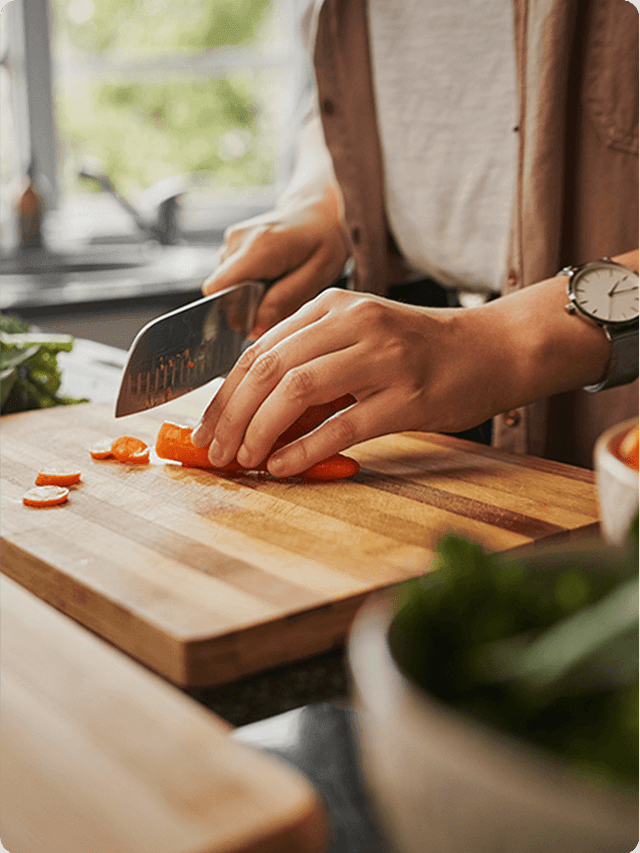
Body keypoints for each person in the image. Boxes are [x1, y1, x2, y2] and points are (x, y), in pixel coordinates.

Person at [191, 0, 639, 478]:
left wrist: (504, 341)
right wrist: (324, 199)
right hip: (413, 365)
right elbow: (343, 97)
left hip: (605, 397)